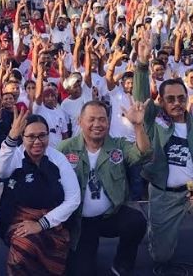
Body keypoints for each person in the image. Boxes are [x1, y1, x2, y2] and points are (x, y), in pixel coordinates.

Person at [132, 31, 193, 275]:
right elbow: (140, 99)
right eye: (170, 99)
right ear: (161, 102)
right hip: (163, 194)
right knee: (161, 256)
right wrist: (142, 65)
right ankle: (156, 231)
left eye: (181, 98)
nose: (176, 103)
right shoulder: (153, 120)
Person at [60, 100, 150, 276]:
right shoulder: (65, 148)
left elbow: (143, 153)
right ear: (80, 121)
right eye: (91, 119)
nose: (97, 124)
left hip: (110, 216)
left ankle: (122, 263)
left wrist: (138, 126)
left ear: (108, 122)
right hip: (80, 222)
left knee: (136, 221)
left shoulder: (118, 145)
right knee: (82, 271)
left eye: (102, 119)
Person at [0, 110, 81, 275]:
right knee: (23, 249)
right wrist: (12, 136)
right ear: (22, 137)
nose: (37, 141)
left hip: (53, 223)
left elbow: (73, 199)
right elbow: (0, 171)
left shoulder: (58, 159)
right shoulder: (15, 155)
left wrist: (41, 224)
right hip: (19, 222)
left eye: (42, 135)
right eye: (31, 136)